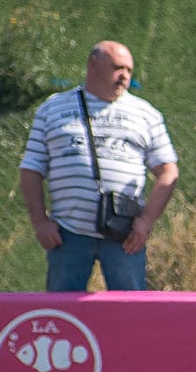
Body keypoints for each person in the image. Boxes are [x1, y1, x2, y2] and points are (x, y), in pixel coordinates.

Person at [18, 41, 179, 291]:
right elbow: (31, 169)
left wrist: (146, 221)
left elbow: (168, 171)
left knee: (130, 306)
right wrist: (40, 222)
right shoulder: (52, 108)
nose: (124, 76)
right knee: (64, 308)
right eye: (118, 68)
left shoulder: (146, 114)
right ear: (93, 65)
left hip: (124, 234)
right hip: (68, 233)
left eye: (129, 70)